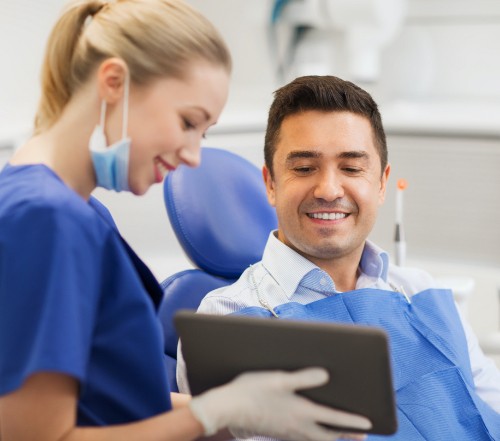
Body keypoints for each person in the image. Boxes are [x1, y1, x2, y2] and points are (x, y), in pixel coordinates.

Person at [0, 3, 372, 441]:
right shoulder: (47, 219)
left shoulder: (70, 209)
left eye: (205, 132)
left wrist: (240, 410)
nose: (194, 156)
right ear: (114, 83)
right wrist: (208, 414)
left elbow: (108, 402)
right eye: (187, 122)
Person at [177, 75, 500, 440]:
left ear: (381, 184)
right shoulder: (230, 319)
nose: (329, 190)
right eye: (303, 168)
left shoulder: (423, 292)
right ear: (270, 183)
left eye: (351, 168)